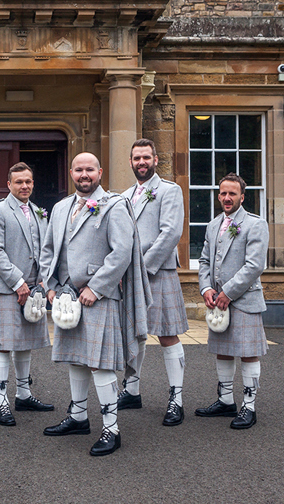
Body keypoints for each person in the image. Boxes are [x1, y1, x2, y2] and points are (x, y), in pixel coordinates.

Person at [39, 152, 149, 456]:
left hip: (99, 298)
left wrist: (97, 288)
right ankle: (78, 418)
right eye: (78, 169)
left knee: (100, 363)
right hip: (65, 298)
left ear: (100, 172)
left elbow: (122, 251)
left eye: (89, 169)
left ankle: (111, 429)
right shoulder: (61, 207)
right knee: (76, 358)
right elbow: (48, 250)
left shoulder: (114, 205)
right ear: (71, 173)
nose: (84, 174)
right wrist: (49, 287)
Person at [117, 138, 188, 427]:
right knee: (133, 332)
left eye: (146, 157)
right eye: (137, 158)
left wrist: (141, 270)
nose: (141, 162)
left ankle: (177, 399)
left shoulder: (169, 191)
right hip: (128, 276)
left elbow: (170, 233)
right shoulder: (123, 196)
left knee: (167, 334)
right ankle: (132, 390)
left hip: (157, 272)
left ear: (156, 160)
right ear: (131, 162)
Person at [0, 162, 55, 426]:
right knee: (3, 344)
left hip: (34, 289)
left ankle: (23, 394)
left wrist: (45, 283)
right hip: (7, 287)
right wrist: (17, 281)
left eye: (28, 182)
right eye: (19, 182)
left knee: (25, 343)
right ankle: (1, 402)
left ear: (33, 184)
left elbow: (46, 252)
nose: (24, 186)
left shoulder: (38, 211)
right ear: (9, 184)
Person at [195, 172, 269, 430]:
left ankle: (249, 406)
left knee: (248, 353)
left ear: (242, 196)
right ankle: (225, 400)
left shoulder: (255, 223)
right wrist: (206, 288)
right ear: (219, 195)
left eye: (232, 194)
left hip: (244, 300)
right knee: (223, 350)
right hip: (218, 302)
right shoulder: (213, 224)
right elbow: (204, 260)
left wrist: (227, 292)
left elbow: (254, 265)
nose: (227, 198)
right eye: (223, 193)